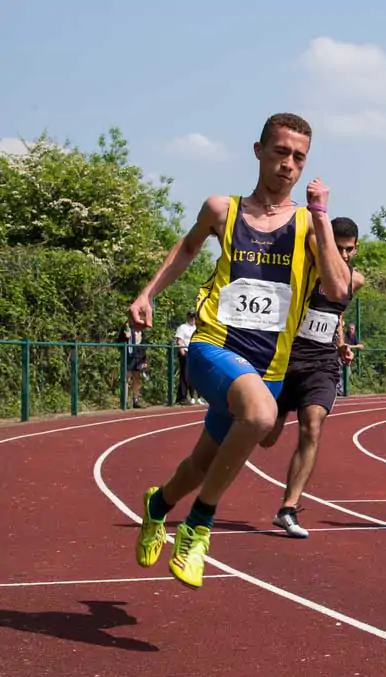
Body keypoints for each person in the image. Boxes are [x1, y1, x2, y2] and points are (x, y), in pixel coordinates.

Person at [129, 113, 351, 589]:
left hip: (269, 362)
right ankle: (198, 526)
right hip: (214, 344)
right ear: (258, 151)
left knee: (201, 464)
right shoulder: (221, 209)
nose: (288, 164)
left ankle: (158, 505)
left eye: (298, 157)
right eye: (280, 152)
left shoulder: (308, 226)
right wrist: (148, 294)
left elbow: (336, 286)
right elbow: (186, 250)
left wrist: (322, 218)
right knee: (260, 416)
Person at [258, 217, 364, 538]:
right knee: (265, 437)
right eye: (338, 248)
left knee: (313, 426)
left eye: (349, 250)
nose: (343, 255)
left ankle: (288, 508)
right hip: (285, 360)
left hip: (321, 364)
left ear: (356, 249)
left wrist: (342, 344)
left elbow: (336, 313)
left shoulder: (353, 281)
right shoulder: (303, 269)